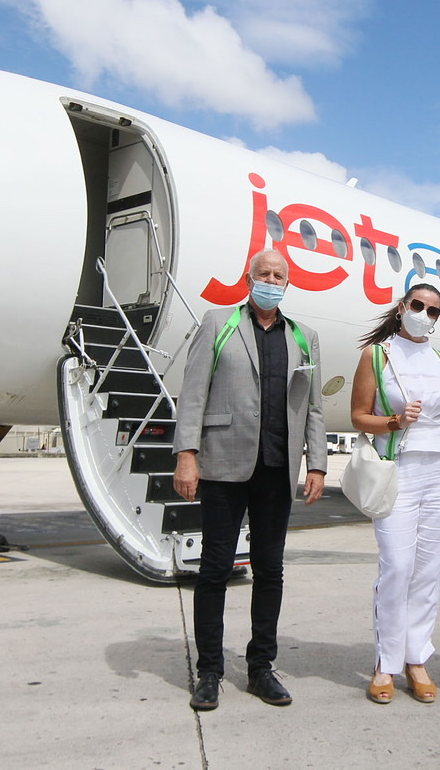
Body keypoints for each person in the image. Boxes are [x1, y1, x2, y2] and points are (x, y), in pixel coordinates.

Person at [173, 249, 327, 712]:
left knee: (270, 569)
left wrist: (316, 464)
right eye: (264, 273)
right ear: (249, 279)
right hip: (223, 464)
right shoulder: (219, 323)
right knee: (216, 569)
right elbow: (193, 391)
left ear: (288, 283)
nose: (272, 280)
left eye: (279, 275)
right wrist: (186, 455)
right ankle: (210, 671)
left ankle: (261, 667)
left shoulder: (304, 336)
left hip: (277, 469)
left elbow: (313, 407)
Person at [349, 284, 440, 705]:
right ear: (401, 308)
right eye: (417, 306)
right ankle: (386, 662)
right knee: (397, 566)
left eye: (433, 310)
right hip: (399, 470)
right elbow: (358, 416)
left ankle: (417, 658)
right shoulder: (377, 355)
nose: (424, 314)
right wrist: (395, 422)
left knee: (429, 569)